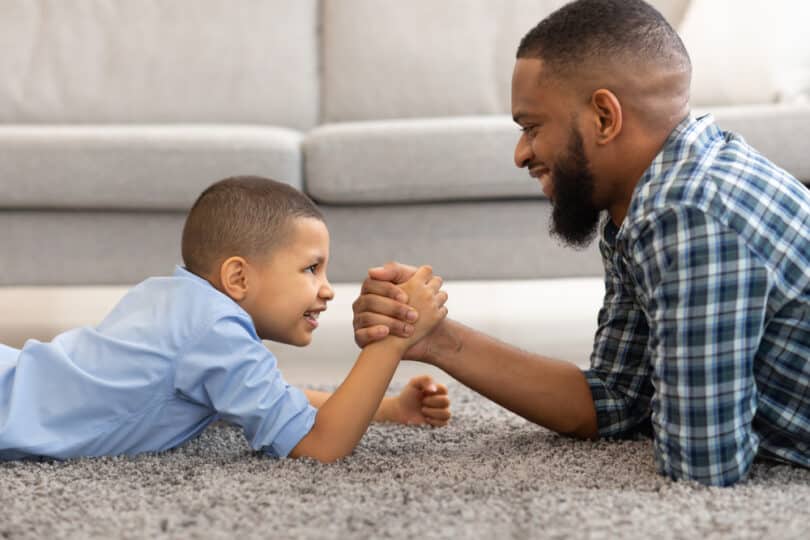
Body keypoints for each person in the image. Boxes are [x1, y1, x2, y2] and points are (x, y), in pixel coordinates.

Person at [350, 0, 810, 486]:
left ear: (605, 118)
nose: (520, 154)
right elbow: (617, 399)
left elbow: (703, 464)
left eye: (531, 127)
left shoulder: (688, 215)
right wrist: (435, 338)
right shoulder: (645, 200)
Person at [0, 176, 451, 462]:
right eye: (312, 268)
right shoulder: (214, 329)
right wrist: (393, 339)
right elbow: (320, 446)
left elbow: (268, 396)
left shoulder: (171, 298)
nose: (328, 288)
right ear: (237, 276)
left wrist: (389, 409)